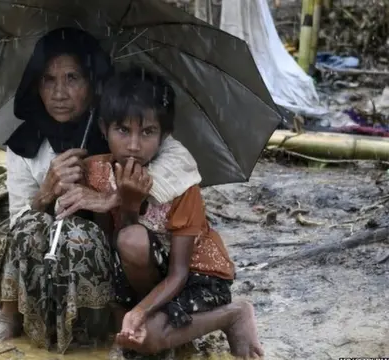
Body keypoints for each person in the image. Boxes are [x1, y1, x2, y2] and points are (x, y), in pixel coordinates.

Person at [0, 28, 203, 353]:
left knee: (82, 237)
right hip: (51, 254)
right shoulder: (25, 143)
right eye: (48, 80)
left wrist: (111, 197)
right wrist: (45, 194)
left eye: (72, 78)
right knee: (28, 229)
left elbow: (177, 161)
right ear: (36, 85)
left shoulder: (119, 128)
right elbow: (17, 223)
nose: (59, 92)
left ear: (92, 85)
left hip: (104, 253)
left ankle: (93, 328)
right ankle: (10, 320)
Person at [67, 67, 265, 358]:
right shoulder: (97, 173)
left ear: (165, 135)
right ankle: (161, 324)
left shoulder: (181, 184)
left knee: (147, 338)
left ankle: (233, 314)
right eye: (122, 130)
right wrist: (128, 206)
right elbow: (109, 249)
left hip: (196, 278)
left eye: (147, 132)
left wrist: (138, 312)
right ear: (103, 128)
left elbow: (179, 273)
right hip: (143, 278)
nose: (133, 145)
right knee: (116, 324)